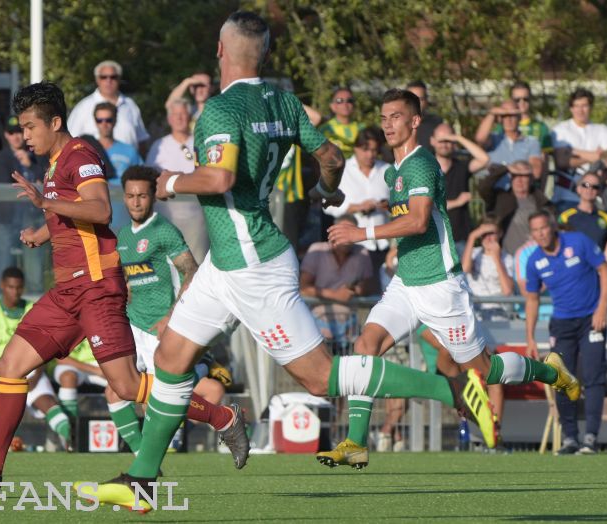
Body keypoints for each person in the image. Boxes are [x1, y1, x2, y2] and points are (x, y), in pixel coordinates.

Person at [93, 13, 499, 512]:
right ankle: (141, 481)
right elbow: (330, 157)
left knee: (320, 378)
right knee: (170, 360)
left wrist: (170, 182)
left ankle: (449, 385)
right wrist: (328, 190)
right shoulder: (285, 103)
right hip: (225, 264)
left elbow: (218, 180)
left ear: (222, 52)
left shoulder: (221, 110)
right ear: (261, 54)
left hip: (252, 265)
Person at [0, 81, 241, 490]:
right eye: (22, 127)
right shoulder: (53, 163)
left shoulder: (80, 154)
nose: (25, 135)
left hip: (98, 289)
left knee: (126, 387)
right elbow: (75, 216)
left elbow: (101, 208)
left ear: (55, 121)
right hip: (67, 291)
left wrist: (45, 204)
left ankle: (221, 416)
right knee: (11, 367)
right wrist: (44, 231)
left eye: (31, 126)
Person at [317, 88, 576, 468]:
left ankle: (552, 371)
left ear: (415, 121)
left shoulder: (421, 165)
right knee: (364, 346)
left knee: (483, 371)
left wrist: (363, 233)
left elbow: (419, 220)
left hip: (441, 286)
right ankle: (356, 442)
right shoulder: (394, 170)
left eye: (397, 117)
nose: (388, 124)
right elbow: (410, 224)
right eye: (384, 117)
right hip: (406, 283)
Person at [113, 166, 230, 452]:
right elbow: (130, 278)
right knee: (116, 389)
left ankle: (220, 418)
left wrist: (171, 316)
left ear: (153, 196)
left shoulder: (163, 232)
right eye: (130, 196)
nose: (136, 201)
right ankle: (143, 453)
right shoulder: (123, 236)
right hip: (134, 326)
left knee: (164, 397)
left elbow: (192, 272)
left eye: (142, 195)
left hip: (160, 329)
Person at [524, 210, 607, 454]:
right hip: (562, 324)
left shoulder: (578, 241)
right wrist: (530, 337)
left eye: (543, 228)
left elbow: (604, 270)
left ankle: (591, 438)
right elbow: (532, 299)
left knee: (594, 377)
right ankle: (570, 438)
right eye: (536, 230)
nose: (541, 234)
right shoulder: (534, 261)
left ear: (552, 227)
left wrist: (602, 307)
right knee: (561, 378)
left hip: (591, 320)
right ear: (531, 234)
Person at [0, 267, 71, 449]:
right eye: (10, 287)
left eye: (19, 287)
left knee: (49, 404)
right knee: (7, 414)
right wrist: (9, 373)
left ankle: (70, 442)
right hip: (0, 372)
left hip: (32, 372)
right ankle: (6, 448)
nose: (15, 292)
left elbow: (47, 347)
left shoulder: (32, 308)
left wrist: (36, 375)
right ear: (2, 286)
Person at [323, 127, 390, 293]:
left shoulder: (388, 170)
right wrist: (357, 207)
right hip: (352, 245)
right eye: (365, 149)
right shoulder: (342, 171)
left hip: (383, 243)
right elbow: (327, 204)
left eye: (374, 150)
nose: (370, 155)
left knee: (384, 293)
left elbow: (400, 205)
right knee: (354, 293)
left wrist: (386, 206)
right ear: (356, 148)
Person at [145, 99, 209, 262]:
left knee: (196, 263)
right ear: (169, 119)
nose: (179, 118)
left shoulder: (200, 142)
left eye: (183, 114)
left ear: (189, 117)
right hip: (167, 219)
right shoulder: (159, 145)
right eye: (175, 114)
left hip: (197, 219)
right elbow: (150, 180)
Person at [0, 115, 49, 292]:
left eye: (19, 132)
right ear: (6, 135)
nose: (16, 136)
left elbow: (47, 180)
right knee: (3, 267)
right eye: (11, 132)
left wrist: (29, 164)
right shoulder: (1, 158)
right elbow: (2, 185)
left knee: (34, 271)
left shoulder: (37, 154)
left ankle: (36, 311)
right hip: (6, 220)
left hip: (32, 219)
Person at [300, 215, 376, 346]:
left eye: (351, 230)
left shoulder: (362, 252)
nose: (347, 235)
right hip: (319, 321)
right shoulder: (317, 249)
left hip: (350, 325)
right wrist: (335, 295)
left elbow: (370, 285)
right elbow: (303, 288)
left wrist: (356, 290)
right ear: (332, 231)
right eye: (343, 230)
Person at [430, 123, 490, 253]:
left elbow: (484, 159)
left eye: (448, 140)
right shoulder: (425, 169)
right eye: (441, 140)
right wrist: (457, 202)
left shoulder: (461, 166)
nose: (445, 144)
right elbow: (427, 205)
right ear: (432, 141)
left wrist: (458, 138)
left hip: (461, 237)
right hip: (433, 240)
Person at [67, 60, 149, 150]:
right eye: (103, 77)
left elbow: (141, 141)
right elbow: (69, 140)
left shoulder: (130, 105)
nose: (108, 80)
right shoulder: (83, 107)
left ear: (119, 79)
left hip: (129, 162)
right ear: (97, 79)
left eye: (113, 77)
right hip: (95, 163)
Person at [552, 88, 607, 205]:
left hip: (595, 197)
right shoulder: (560, 130)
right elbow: (562, 162)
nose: (580, 110)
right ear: (571, 108)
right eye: (576, 106)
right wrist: (595, 156)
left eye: (584, 105)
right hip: (566, 196)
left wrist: (575, 151)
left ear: (591, 107)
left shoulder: (603, 130)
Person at [478, 160, 554, 256]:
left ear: (531, 179)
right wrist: (505, 169)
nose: (519, 180)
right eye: (515, 175)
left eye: (524, 176)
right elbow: (483, 187)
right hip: (506, 257)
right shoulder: (500, 198)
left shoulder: (541, 202)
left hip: (534, 256)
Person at [461, 215, 515, 321]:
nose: (487, 238)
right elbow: (465, 270)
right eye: (483, 234)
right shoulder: (474, 253)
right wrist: (472, 237)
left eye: (491, 233)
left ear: (500, 234)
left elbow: (507, 290)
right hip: (476, 310)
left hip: (500, 312)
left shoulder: (507, 258)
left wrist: (497, 258)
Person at [475, 99, 543, 180]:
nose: (508, 120)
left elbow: (536, 172)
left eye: (512, 115)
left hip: (519, 190)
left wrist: (507, 170)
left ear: (519, 117)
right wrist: (492, 113)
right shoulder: (493, 139)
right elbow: (479, 139)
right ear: (500, 119)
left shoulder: (531, 142)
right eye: (504, 116)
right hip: (495, 190)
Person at [558, 172, 607, 249]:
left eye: (595, 187)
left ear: (599, 191)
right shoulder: (565, 217)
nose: (590, 189)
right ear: (578, 189)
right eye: (586, 185)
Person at [92, 102, 143, 178]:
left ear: (115, 120)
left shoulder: (130, 151)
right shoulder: (89, 150)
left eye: (108, 120)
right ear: (95, 122)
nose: (104, 124)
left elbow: (141, 176)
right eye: (99, 120)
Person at [318, 87, 364, 158]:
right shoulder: (325, 128)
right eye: (340, 101)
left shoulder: (362, 128)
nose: (345, 104)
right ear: (332, 106)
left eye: (349, 100)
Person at [406, 80, 442, 149]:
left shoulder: (436, 124)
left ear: (426, 101)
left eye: (421, 99)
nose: (416, 103)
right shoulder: (396, 124)